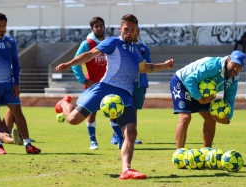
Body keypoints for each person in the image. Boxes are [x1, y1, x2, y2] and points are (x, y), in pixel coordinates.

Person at [55, 14, 174, 180]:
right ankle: (64, 103)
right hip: (104, 88)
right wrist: (68, 64)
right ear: (120, 28)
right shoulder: (113, 42)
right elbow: (89, 55)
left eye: (132, 30)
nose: (129, 32)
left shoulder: (136, 49)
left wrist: (165, 66)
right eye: (126, 29)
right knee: (73, 120)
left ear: (136, 31)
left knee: (131, 132)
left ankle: (126, 169)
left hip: (125, 95)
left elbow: (144, 67)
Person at [0, 13, 41, 154]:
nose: (2, 28)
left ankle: (28, 145)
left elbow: (15, 62)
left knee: (18, 112)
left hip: (9, 85)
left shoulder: (11, 42)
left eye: (4, 25)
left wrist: (16, 83)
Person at [170, 50, 246, 149]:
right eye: (234, 64)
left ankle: (207, 153)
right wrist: (200, 99)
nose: (235, 69)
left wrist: (228, 118)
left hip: (202, 91)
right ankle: (179, 154)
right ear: (228, 60)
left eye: (239, 67)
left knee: (210, 119)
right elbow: (190, 80)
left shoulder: (234, 79)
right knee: (185, 117)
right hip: (182, 83)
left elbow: (229, 99)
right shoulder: (213, 66)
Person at [71, 16, 124, 150]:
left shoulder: (109, 42)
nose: (99, 28)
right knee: (91, 113)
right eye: (96, 26)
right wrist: (83, 80)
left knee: (114, 111)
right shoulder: (87, 44)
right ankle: (93, 141)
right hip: (93, 85)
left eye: (101, 25)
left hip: (109, 84)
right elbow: (75, 63)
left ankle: (119, 139)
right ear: (92, 28)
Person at [110, 26, 151, 145]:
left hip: (139, 83)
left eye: (135, 31)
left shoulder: (143, 47)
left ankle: (130, 135)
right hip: (123, 83)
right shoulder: (120, 45)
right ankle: (116, 135)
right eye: (129, 30)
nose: (132, 33)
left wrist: (138, 55)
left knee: (134, 110)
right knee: (115, 106)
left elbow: (148, 65)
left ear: (137, 33)